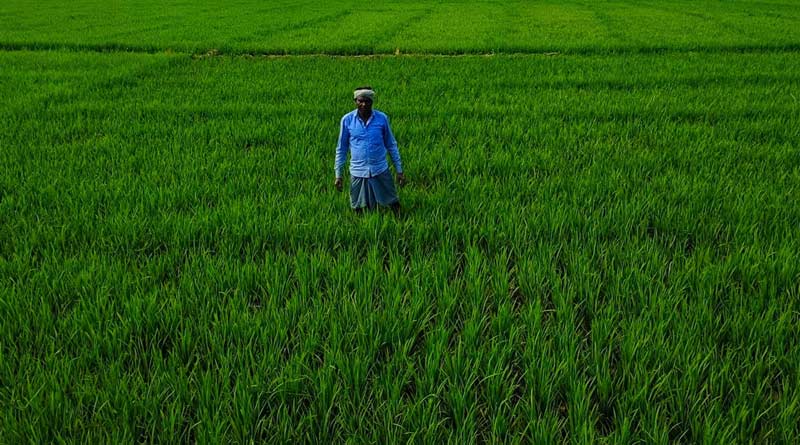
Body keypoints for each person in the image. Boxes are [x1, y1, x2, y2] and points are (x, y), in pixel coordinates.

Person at [334, 86, 406, 214]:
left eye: (367, 101)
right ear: (355, 101)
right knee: (358, 208)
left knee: (394, 203)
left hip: (380, 169)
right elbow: (342, 148)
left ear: (372, 101)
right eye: (360, 101)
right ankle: (362, 229)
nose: (364, 104)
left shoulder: (382, 118)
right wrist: (338, 175)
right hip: (358, 171)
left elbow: (391, 145)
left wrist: (399, 170)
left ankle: (400, 223)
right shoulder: (347, 120)